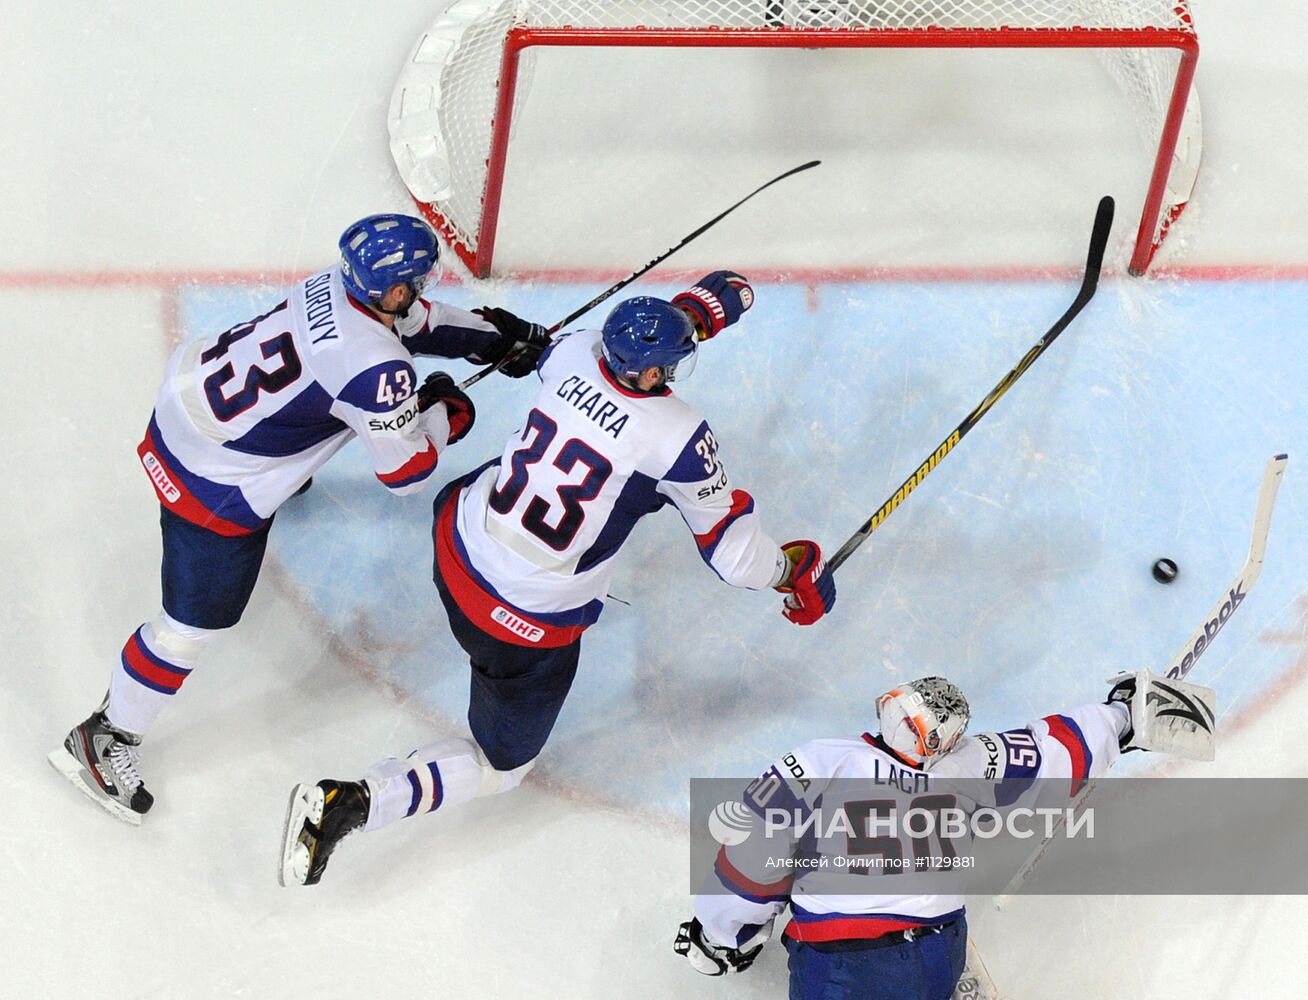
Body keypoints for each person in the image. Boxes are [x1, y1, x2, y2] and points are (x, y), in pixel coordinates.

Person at [279, 271, 838, 887]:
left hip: (453, 549)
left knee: (517, 473)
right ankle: (360, 799)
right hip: (521, 627)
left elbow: (588, 357)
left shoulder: (575, 350)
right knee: (503, 766)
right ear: (654, 375)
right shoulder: (680, 438)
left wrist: (688, 316)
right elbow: (734, 558)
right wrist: (791, 569)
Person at [49, 214, 550, 825]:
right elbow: (406, 473)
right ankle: (104, 739)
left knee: (319, 410)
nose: (421, 286)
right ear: (392, 287)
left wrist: (494, 339)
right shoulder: (375, 368)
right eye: (415, 279)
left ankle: (285, 466)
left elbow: (416, 323)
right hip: (211, 482)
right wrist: (445, 413)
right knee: (189, 627)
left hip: (189, 398)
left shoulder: (333, 284)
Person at [672, 674, 1145, 1000]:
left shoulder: (820, 761)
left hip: (848, 965)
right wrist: (1123, 715)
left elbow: (753, 859)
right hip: (943, 949)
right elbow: (1057, 753)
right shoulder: (971, 763)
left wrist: (720, 935)